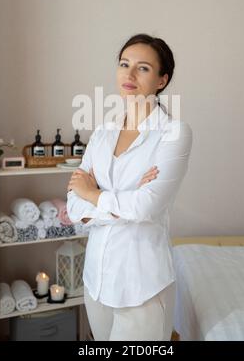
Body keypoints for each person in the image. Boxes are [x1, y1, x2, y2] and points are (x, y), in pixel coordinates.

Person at [67, 33, 193, 341]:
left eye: (144, 68)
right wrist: (125, 199)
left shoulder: (173, 133)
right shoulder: (102, 133)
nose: (130, 74)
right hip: (96, 280)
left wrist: (93, 194)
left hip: (142, 287)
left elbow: (148, 206)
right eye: (124, 64)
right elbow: (73, 207)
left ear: (162, 80)